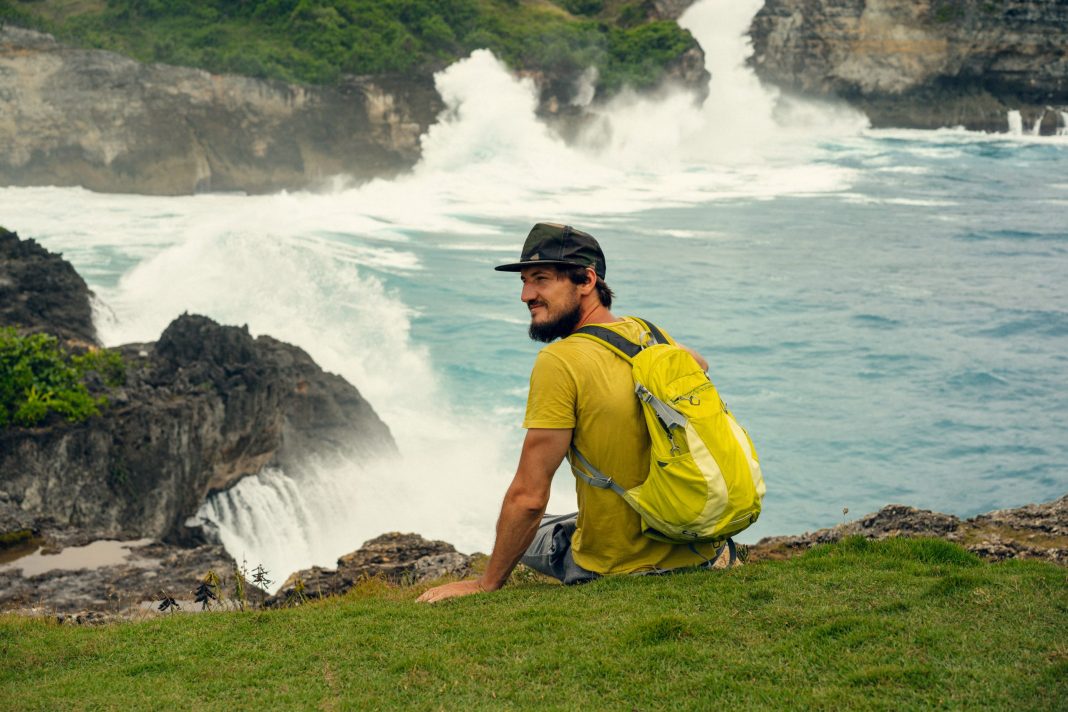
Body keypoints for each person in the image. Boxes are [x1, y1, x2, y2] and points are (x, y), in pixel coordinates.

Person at [418, 223, 723, 604]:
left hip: (616, 566)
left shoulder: (560, 362)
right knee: (558, 521)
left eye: (541, 280)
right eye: (525, 282)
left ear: (586, 280)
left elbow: (529, 496)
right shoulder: (649, 333)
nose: (526, 295)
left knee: (524, 529)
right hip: (696, 542)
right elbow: (701, 365)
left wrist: (485, 584)